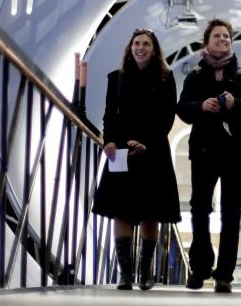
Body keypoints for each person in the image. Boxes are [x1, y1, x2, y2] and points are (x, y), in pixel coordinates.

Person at [176, 19, 241, 293]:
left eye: (227, 36)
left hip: (238, 151)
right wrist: (201, 106)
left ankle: (224, 275)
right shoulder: (195, 74)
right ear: (206, 42)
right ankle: (200, 267)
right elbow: (182, 109)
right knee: (199, 208)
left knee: (231, 212)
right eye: (217, 36)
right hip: (205, 149)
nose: (223, 39)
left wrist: (235, 103)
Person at [91, 28, 181, 290]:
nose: (140, 47)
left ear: (154, 50)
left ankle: (145, 273)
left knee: (149, 213)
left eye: (146, 44)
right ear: (130, 48)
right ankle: (126, 275)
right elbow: (110, 113)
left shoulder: (166, 78)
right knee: (121, 211)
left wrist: (146, 143)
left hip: (153, 150)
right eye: (136, 43)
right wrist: (108, 140)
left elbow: (166, 117)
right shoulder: (115, 78)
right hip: (121, 150)